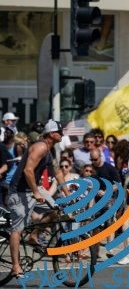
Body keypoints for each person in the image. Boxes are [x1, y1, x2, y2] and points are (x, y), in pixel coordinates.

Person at [8, 119, 69, 279]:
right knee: (17, 228)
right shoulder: (41, 146)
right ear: (52, 134)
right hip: (19, 191)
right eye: (60, 132)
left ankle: (34, 235)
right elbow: (28, 170)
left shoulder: (50, 150)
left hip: (33, 188)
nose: (62, 134)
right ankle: (15, 266)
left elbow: (58, 173)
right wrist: (36, 191)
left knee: (56, 211)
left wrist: (68, 193)